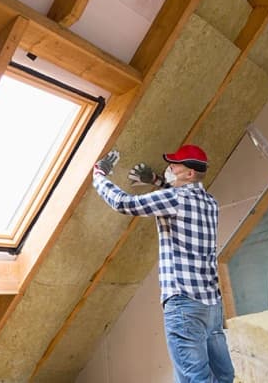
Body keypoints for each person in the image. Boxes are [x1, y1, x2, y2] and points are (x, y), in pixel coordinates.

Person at [92, 144, 235, 383]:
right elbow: (180, 200)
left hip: (184, 305)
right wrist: (157, 180)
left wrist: (98, 175)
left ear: (189, 174)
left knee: (195, 378)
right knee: (223, 375)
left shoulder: (174, 198)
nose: (169, 166)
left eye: (175, 164)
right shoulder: (210, 203)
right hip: (211, 307)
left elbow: (124, 203)